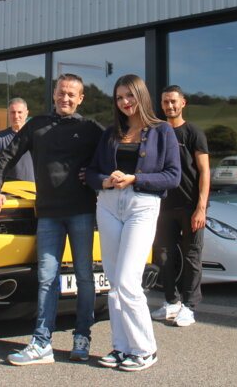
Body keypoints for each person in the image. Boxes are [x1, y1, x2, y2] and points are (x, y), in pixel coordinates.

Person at [0, 74, 103, 365]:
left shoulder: (90, 129)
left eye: (72, 94)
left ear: (80, 99)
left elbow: (112, 156)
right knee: (47, 278)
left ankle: (82, 336)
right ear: (54, 94)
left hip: (82, 212)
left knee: (84, 277)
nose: (65, 98)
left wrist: (94, 175)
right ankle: (41, 343)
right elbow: (7, 156)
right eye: (61, 93)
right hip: (48, 214)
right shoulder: (36, 125)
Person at [85, 74, 180, 372]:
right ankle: (121, 347)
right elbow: (91, 173)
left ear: (142, 96)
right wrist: (106, 180)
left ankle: (144, 349)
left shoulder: (162, 131)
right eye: (119, 97)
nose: (125, 102)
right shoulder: (110, 133)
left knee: (128, 281)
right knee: (115, 282)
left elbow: (173, 176)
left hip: (142, 206)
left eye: (130, 95)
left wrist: (134, 178)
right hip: (109, 205)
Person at [151, 85, 210, 327]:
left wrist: (201, 208)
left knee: (192, 256)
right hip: (164, 207)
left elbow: (205, 171)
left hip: (190, 206)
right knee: (164, 256)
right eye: (165, 102)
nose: (169, 106)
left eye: (173, 101)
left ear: (183, 103)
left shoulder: (193, 133)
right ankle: (171, 302)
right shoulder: (158, 133)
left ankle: (189, 306)